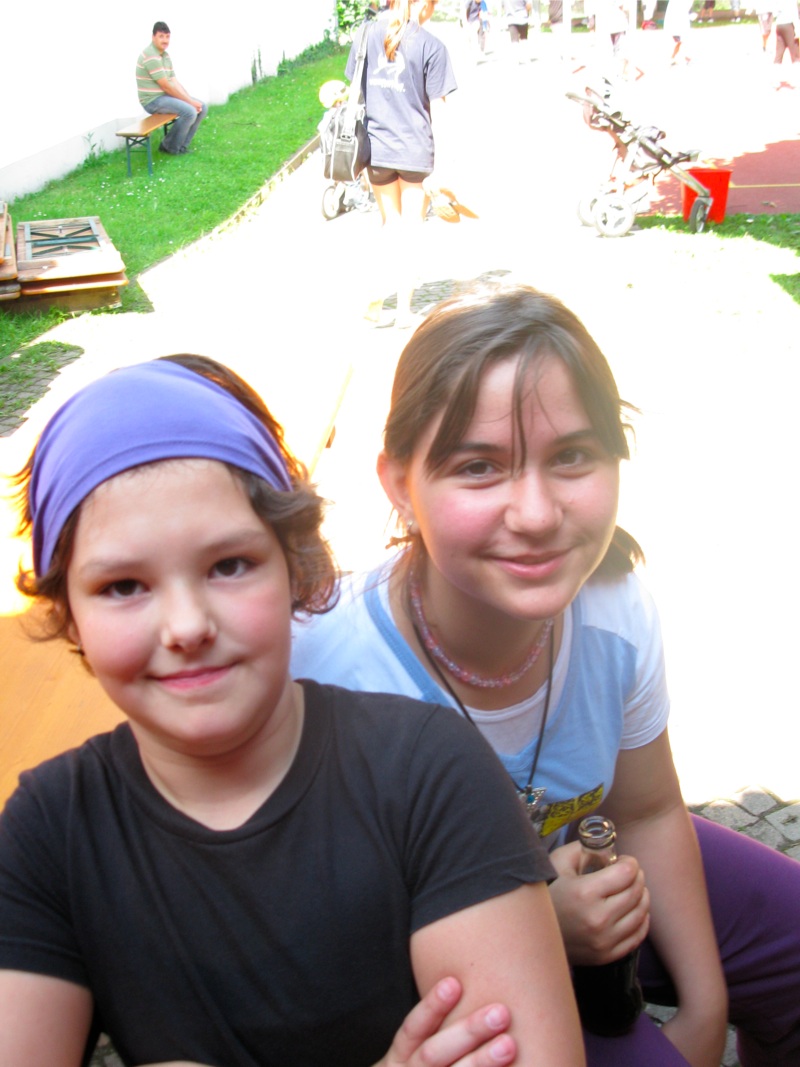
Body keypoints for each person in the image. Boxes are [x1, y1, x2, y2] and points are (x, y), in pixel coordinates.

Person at [0, 354, 587, 1067]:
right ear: (69, 613)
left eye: (229, 565)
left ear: (295, 568)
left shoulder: (428, 772)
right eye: (124, 585)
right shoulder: (49, 832)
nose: (186, 626)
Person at [292, 284, 800, 1067]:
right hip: (431, 961)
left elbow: (649, 806)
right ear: (398, 484)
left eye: (571, 456)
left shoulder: (612, 607)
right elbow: (310, 939)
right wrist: (533, 923)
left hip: (590, 880)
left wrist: (707, 1006)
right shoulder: (324, 674)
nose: (535, 513)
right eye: (479, 466)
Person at [347, 1, 457, 328]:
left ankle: (375, 298)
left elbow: (356, 90)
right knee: (410, 229)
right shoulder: (431, 46)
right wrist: (443, 166)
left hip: (376, 149)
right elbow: (440, 112)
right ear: (423, 4)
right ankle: (404, 311)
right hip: (415, 150)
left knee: (390, 224)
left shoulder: (366, 34)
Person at [136, 21, 207, 155]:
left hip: (164, 97)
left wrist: (190, 99)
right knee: (190, 112)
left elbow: (174, 82)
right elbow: (166, 86)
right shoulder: (151, 56)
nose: (165, 40)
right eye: (161, 36)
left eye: (167, 37)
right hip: (152, 100)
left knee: (202, 107)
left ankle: (182, 147)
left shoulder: (165, 56)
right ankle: (169, 147)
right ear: (153, 37)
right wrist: (190, 102)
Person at [772, 0, 799, 85]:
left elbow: (774, 13)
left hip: (779, 24)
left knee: (779, 54)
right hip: (789, 24)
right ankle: (796, 80)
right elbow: (794, 13)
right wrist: (797, 29)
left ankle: (775, 80)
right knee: (796, 54)